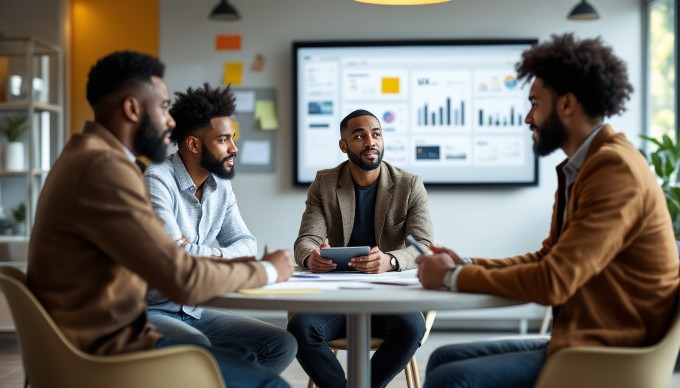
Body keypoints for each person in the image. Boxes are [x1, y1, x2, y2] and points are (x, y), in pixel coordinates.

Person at [416, 33, 680, 387]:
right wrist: (467, 265)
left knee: (452, 378)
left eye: (535, 104)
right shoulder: (585, 165)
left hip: (613, 351)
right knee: (443, 358)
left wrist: (450, 278)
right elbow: (550, 256)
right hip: (588, 337)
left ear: (567, 105)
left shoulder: (614, 170)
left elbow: (553, 281)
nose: (528, 117)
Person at [26, 51, 293, 388]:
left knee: (270, 346)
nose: (170, 122)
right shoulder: (105, 170)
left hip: (109, 332)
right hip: (107, 349)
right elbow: (180, 277)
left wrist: (190, 253)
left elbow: (182, 261)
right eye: (163, 107)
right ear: (132, 108)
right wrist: (268, 269)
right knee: (271, 385)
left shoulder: (87, 156)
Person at [142, 82, 297, 376]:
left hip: (196, 307)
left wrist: (196, 251)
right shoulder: (157, 179)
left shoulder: (221, 186)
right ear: (193, 144)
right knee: (197, 347)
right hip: (153, 309)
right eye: (224, 140)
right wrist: (204, 253)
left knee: (280, 343)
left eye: (233, 138)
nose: (234, 148)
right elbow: (174, 257)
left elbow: (247, 244)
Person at [288, 109, 434, 388]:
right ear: (344, 145)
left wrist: (390, 260)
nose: (371, 141)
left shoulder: (409, 185)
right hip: (338, 297)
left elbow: (424, 247)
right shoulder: (325, 183)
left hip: (389, 296)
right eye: (359, 135)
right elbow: (306, 239)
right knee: (300, 328)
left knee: (412, 328)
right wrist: (310, 257)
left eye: (376, 134)